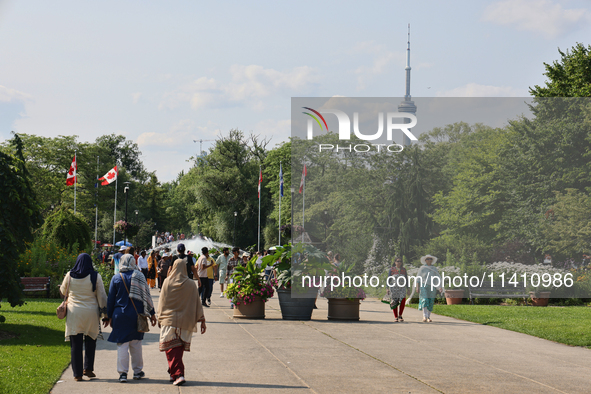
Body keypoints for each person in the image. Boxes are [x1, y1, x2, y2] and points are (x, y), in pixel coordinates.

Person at [105, 254, 157, 383]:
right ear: (133, 262)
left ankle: (123, 374)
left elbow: (110, 300)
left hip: (120, 316)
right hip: (136, 315)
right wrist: (152, 314)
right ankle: (138, 371)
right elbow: (146, 295)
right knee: (136, 345)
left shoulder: (116, 278)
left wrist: (108, 317)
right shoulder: (139, 276)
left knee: (122, 345)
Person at [157, 258, 207, 386]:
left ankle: (179, 374)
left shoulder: (167, 282)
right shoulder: (191, 284)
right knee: (177, 349)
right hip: (185, 322)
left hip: (168, 321)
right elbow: (197, 303)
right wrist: (202, 320)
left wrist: (159, 317)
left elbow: (161, 302)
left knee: (171, 349)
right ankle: (173, 372)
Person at [60, 253, 108, 381]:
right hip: (91, 313)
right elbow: (102, 296)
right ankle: (88, 368)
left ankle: (77, 374)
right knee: (91, 340)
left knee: (75, 344)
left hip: (74, 312)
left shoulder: (69, 275)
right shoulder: (95, 276)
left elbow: (63, 291)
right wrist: (105, 315)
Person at [416, 255, 443, 323]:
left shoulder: (434, 268)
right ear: (425, 260)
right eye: (428, 259)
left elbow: (437, 278)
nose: (429, 260)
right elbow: (418, 278)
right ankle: (424, 316)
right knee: (425, 299)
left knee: (431, 300)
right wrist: (417, 287)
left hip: (432, 286)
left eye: (430, 259)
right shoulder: (422, 268)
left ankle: (428, 316)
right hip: (423, 286)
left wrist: (440, 286)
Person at [387, 257, 408, 322]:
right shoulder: (392, 269)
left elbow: (406, 279)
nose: (399, 262)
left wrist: (408, 288)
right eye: (397, 261)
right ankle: (395, 316)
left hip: (402, 288)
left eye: (400, 261)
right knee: (394, 301)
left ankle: (400, 315)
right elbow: (389, 279)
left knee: (402, 301)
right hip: (394, 288)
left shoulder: (404, 270)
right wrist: (387, 288)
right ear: (395, 262)